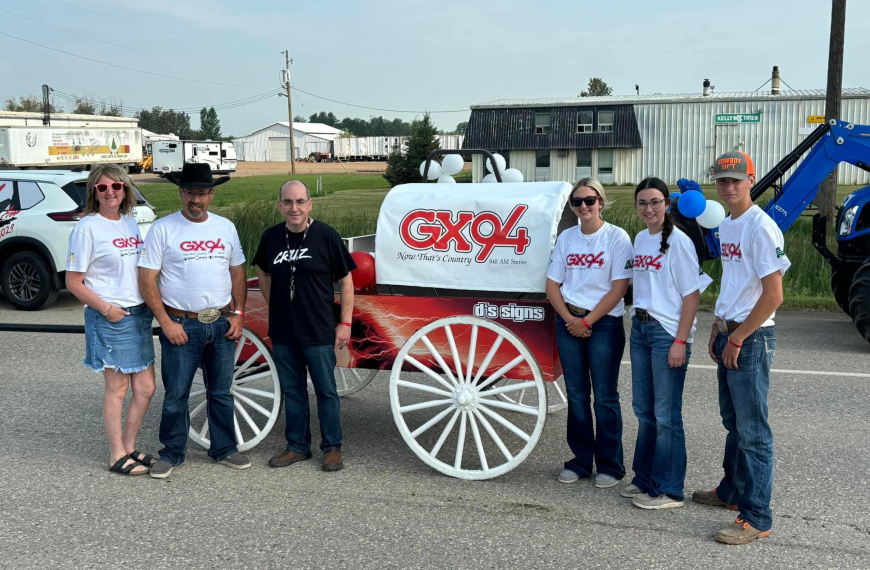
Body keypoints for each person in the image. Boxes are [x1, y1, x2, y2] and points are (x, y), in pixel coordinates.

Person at [693, 151, 789, 544]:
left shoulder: (759, 228)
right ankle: (731, 492)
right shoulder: (729, 226)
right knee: (733, 423)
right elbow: (737, 280)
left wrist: (737, 337)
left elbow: (774, 295)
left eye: (736, 180)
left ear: (751, 180)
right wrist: (719, 323)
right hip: (729, 330)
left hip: (750, 337)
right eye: (721, 180)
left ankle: (757, 517)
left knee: (753, 432)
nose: (728, 186)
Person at [138, 163, 250, 479]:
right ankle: (172, 452)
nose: (195, 200)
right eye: (189, 193)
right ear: (181, 193)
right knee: (176, 394)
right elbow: (147, 279)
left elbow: (237, 271)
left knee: (222, 391)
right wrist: (165, 322)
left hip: (221, 322)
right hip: (180, 324)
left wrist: (239, 314)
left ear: (211, 194)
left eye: (201, 193)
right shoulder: (163, 229)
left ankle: (224, 448)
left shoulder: (225, 228)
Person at [253, 180, 356, 472]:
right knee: (293, 390)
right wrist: (274, 304)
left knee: (326, 391)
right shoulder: (271, 237)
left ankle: (332, 447)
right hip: (284, 331)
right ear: (279, 206)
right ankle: (297, 446)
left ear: (310, 204)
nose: (294, 208)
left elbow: (346, 281)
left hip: (319, 330)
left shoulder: (326, 235)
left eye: (299, 201)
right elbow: (262, 271)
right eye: (287, 202)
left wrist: (345, 323)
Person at [622, 177, 712, 509]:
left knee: (666, 414)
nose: (649, 209)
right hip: (641, 329)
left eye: (655, 202)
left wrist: (680, 341)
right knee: (644, 410)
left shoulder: (679, 241)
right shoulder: (640, 239)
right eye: (643, 203)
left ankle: (669, 488)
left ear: (667, 204)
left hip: (666, 334)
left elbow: (691, 296)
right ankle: (644, 478)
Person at [66, 164, 157, 476]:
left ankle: (130, 446)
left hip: (139, 314)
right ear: (94, 191)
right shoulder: (86, 228)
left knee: (145, 388)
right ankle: (116, 454)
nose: (110, 193)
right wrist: (106, 309)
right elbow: (73, 281)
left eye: (116, 187)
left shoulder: (130, 222)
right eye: (102, 188)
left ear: (125, 190)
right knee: (117, 389)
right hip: (111, 317)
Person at [546, 177, 634, 488]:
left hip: (604, 324)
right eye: (578, 201)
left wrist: (587, 321)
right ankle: (581, 461)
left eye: (590, 200)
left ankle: (610, 465)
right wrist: (570, 318)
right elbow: (552, 284)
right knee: (578, 395)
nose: (584, 206)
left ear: (601, 201)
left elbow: (619, 288)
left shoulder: (617, 238)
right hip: (568, 321)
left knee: (606, 397)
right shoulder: (567, 238)